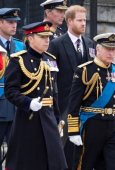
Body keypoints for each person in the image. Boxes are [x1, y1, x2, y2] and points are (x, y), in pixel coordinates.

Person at [4, 21, 67, 170]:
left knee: (54, 162)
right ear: (30, 39)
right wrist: (27, 102)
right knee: (28, 162)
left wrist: (58, 118)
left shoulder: (50, 59)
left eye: (48, 37)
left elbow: (54, 91)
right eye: (42, 37)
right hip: (28, 120)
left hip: (49, 117)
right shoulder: (18, 60)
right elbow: (10, 91)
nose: (47, 41)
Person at [67, 33, 115, 170]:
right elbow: (74, 104)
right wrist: (73, 131)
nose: (111, 53)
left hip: (113, 126)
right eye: (107, 49)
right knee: (84, 165)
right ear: (98, 49)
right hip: (91, 126)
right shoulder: (84, 71)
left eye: (113, 49)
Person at [48, 5, 96, 170]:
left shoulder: (90, 44)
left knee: (86, 150)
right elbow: (51, 77)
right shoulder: (56, 44)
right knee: (67, 150)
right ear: (69, 21)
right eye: (80, 20)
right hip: (65, 105)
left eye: (85, 20)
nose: (84, 24)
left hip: (87, 105)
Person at [0, 8, 26, 170]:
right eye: (10, 22)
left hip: (16, 106)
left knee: (17, 152)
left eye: (15, 22)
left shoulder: (20, 45)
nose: (14, 26)